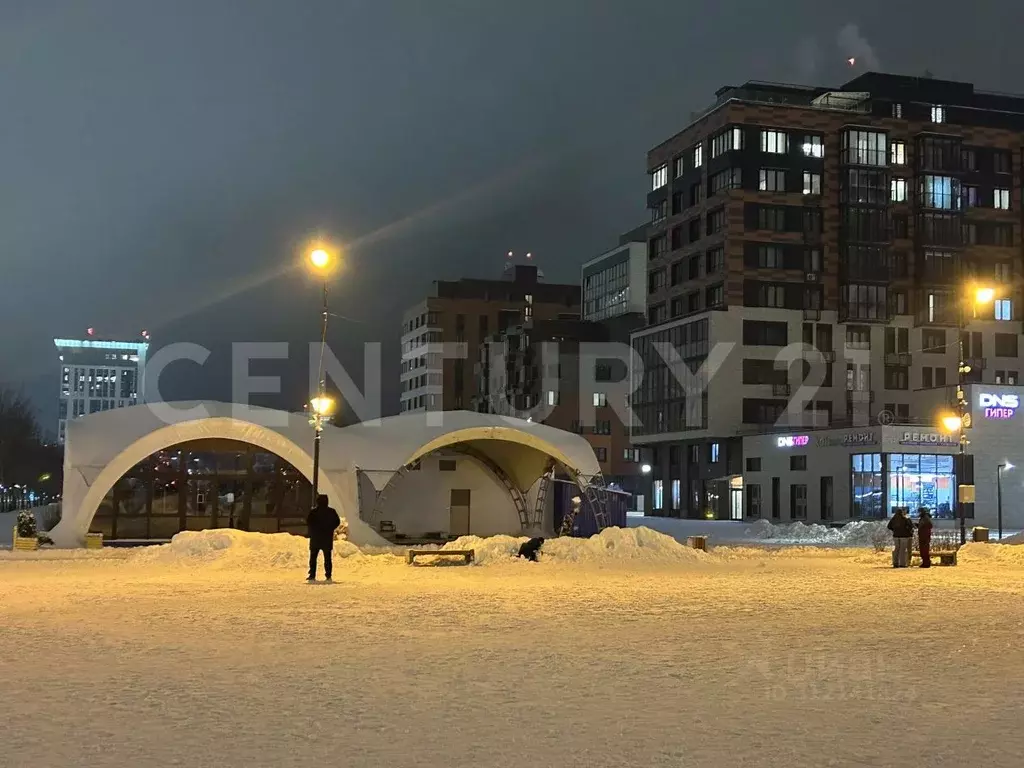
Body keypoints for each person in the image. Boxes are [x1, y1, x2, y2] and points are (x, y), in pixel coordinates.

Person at [307, 494, 341, 582]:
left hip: (315, 537)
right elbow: (337, 521)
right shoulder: (331, 512)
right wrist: (330, 528)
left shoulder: (313, 512)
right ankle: (328, 575)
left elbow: (309, 521)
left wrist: (314, 529)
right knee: (327, 558)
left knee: (313, 557)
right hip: (327, 537)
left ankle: (312, 574)